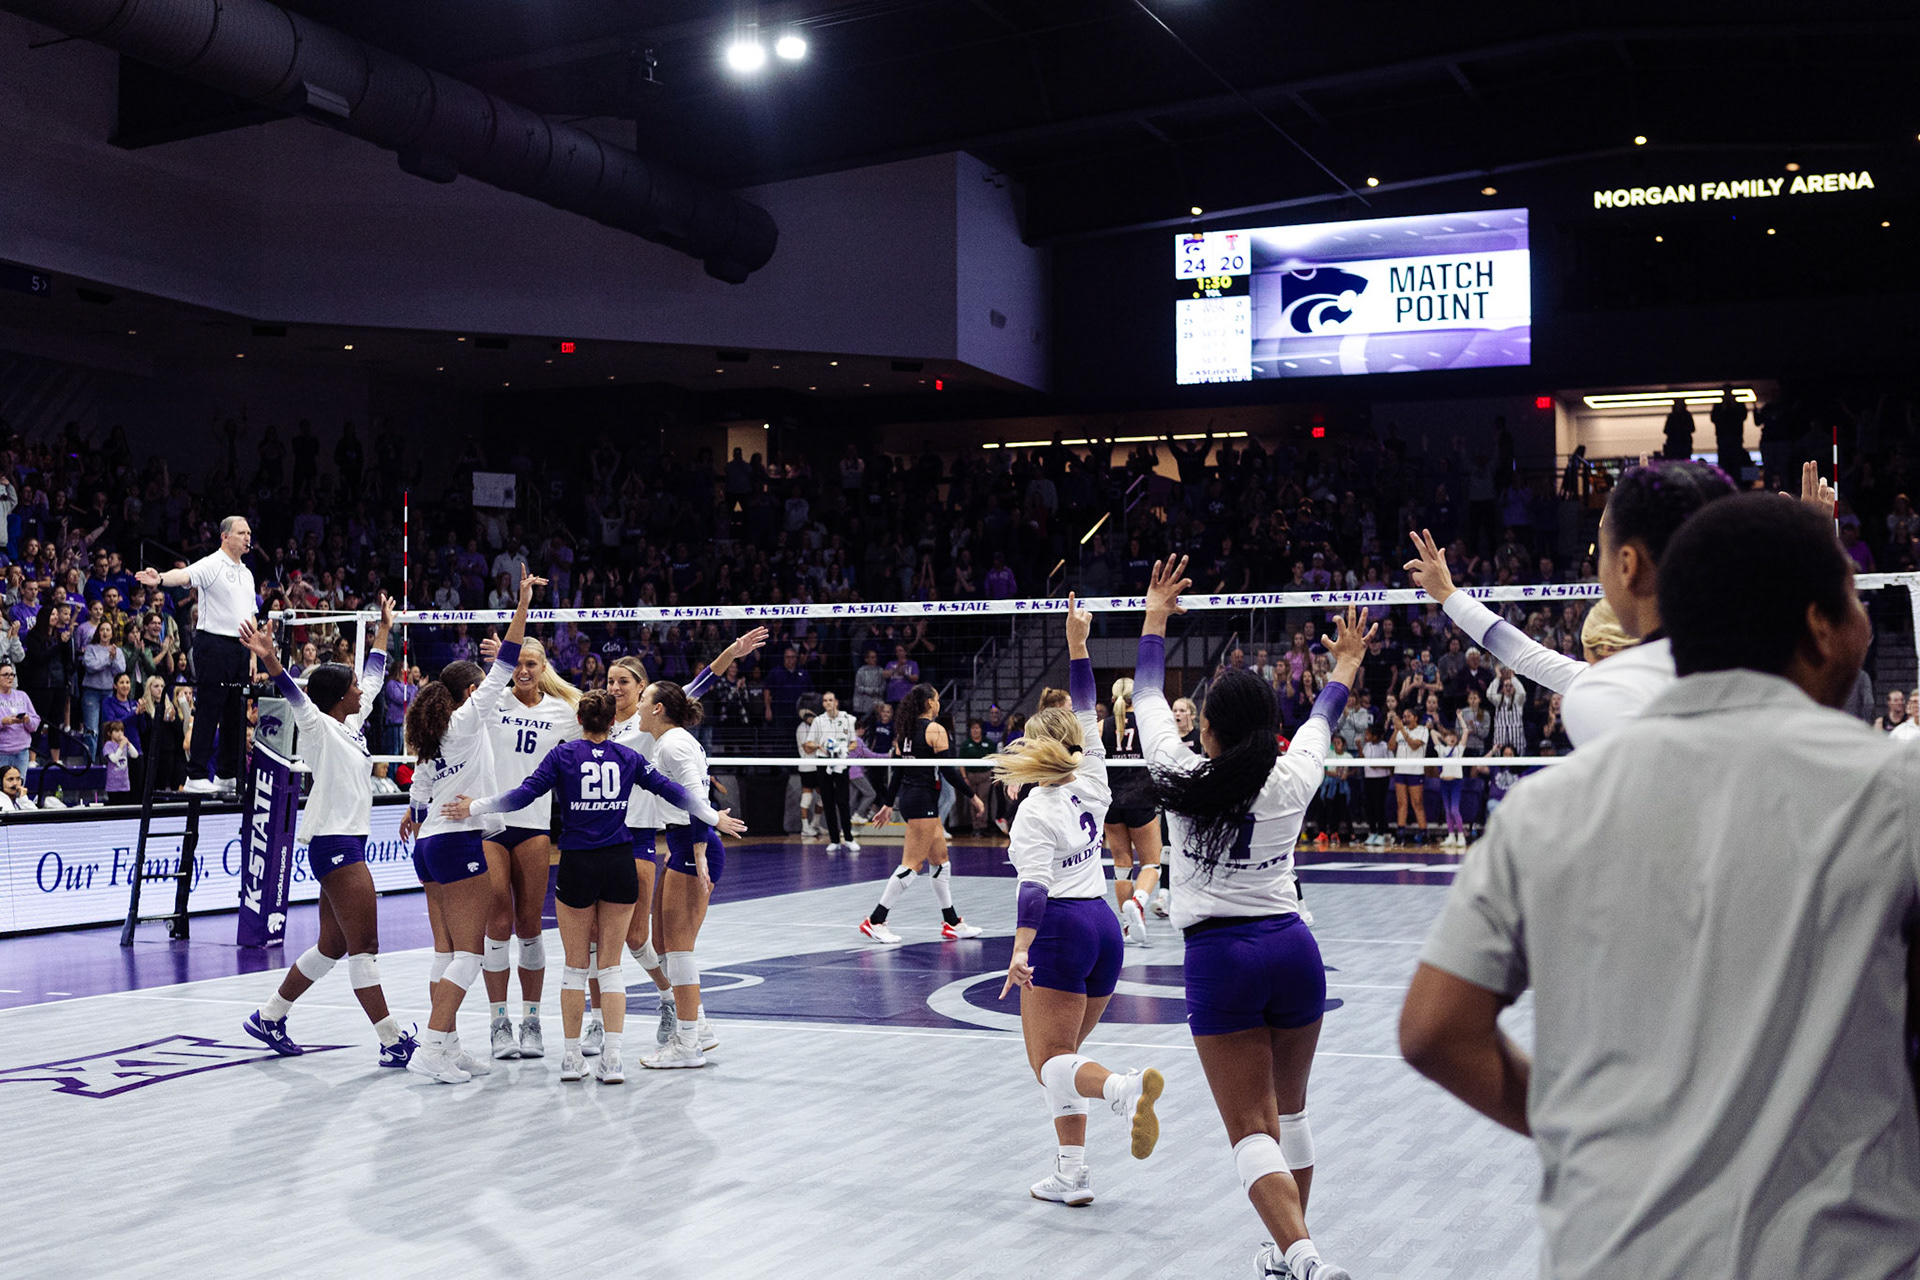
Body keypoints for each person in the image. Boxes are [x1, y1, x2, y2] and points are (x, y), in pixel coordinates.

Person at [1400, 493, 1920, 1280]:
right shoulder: (1893, 793)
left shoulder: (1545, 804)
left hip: (1617, 1250)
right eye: (1851, 601)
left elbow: (1433, 1030)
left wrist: (1585, 1129)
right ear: (1819, 624)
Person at [1132, 556, 1365, 1280]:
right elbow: (1324, 714)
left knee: (1249, 1129)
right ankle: (1289, 1250)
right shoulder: (1294, 775)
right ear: (1268, 728)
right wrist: (1347, 661)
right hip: (1294, 950)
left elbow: (1146, 694)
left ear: (1206, 730)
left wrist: (1155, 616)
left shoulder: (1178, 777)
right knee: (1290, 1115)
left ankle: (1306, 1259)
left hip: (1222, 960)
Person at [444, 689, 744, 1084]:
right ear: (612, 721)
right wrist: (712, 816)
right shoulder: (629, 757)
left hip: (578, 863)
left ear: (579, 721)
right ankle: (613, 1060)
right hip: (619, 863)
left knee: (575, 967)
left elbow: (521, 796)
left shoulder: (563, 755)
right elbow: (676, 792)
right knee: (611, 966)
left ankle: (572, 1059)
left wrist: (475, 806)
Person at [996, 595, 1164, 1207]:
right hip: (1103, 927)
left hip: (1062, 930)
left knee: (1049, 1063)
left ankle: (1121, 1088)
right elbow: (1088, 703)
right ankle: (1073, 1174)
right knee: (1063, 1059)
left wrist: (1020, 950)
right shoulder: (1093, 779)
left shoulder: (1033, 813)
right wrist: (1077, 645)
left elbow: (1033, 889)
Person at [1405, 460, 1737, 747]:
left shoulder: (1603, 693)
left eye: (1603, 551)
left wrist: (1448, 594)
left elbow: (1521, 653)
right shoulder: (1754, 670)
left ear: (1628, 565)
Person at [237, 598, 415, 1068]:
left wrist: (383, 629)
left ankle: (269, 1017)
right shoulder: (317, 727)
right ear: (338, 695)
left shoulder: (351, 723)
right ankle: (393, 1040)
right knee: (365, 947)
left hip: (345, 841)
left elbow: (373, 677)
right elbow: (293, 693)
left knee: (333, 945)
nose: (360, 689)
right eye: (351, 685)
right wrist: (270, 657)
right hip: (335, 844)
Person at [400, 569, 541, 1084]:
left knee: (446, 952)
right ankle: (432, 1047)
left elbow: (419, 789)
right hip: (456, 844)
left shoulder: (433, 731)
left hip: (428, 844)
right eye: (482, 687)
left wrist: (414, 814)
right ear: (471, 691)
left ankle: (451, 1047)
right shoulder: (465, 719)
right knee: (470, 953)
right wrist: (522, 604)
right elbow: (508, 659)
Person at [477, 635, 582, 1062]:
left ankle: (531, 1021)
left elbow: (606, 726)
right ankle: (498, 1022)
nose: (523, 671)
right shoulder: (493, 701)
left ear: (543, 668)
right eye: (517, 663)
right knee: (497, 918)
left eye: (531, 664)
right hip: (491, 823)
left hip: (535, 825)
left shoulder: (562, 712)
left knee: (529, 924)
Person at [637, 678, 736, 1070]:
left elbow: (697, 796)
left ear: (658, 708)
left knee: (678, 948)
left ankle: (688, 1043)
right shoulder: (669, 742)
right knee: (662, 942)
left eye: (643, 699)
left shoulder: (673, 744)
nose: (639, 706)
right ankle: (700, 1027)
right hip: (680, 843)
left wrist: (698, 849)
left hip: (694, 844)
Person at [858, 683, 986, 945]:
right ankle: (875, 920)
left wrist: (888, 804)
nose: (939, 704)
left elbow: (898, 771)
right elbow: (949, 770)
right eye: (937, 699)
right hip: (921, 802)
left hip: (913, 800)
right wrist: (972, 796)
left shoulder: (904, 731)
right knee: (912, 864)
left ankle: (952, 923)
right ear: (929, 703)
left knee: (940, 861)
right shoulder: (935, 729)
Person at [138, 516, 257, 792]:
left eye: (249, 533)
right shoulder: (213, 563)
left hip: (241, 647)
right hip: (213, 644)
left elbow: (250, 614)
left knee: (235, 712)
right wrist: (161, 578)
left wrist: (253, 654)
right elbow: (185, 576)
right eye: (242, 532)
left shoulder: (247, 573)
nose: (247, 537)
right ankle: (196, 775)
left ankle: (226, 774)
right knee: (210, 707)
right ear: (225, 536)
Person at [1102, 677, 1162, 947]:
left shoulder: (1101, 726)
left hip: (1111, 801)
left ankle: (1128, 927)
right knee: (1152, 864)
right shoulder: (1146, 725)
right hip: (1140, 798)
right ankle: (1137, 903)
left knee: (1122, 866)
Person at [805, 690, 859, 851]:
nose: (828, 703)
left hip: (841, 761)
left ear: (836, 702)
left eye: (830, 700)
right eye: (825, 701)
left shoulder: (847, 719)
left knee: (843, 800)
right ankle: (834, 840)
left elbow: (854, 742)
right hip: (823, 761)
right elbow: (808, 743)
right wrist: (820, 746)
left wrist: (843, 749)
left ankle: (848, 838)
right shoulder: (818, 721)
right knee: (827, 801)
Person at [135, 675, 186, 793]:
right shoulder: (144, 706)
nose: (160, 689)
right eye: (156, 686)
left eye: (162, 686)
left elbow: (179, 731)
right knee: (150, 785)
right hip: (150, 752)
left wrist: (173, 720)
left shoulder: (170, 706)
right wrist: (159, 719)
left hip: (168, 752)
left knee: (162, 785)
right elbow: (144, 730)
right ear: (149, 688)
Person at [1389, 708, 1428, 843]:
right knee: (1401, 803)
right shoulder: (1400, 730)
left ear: (1415, 717)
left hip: (1415, 771)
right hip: (1400, 770)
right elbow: (1390, 747)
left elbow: (1414, 746)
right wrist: (1396, 730)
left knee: (1417, 803)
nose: (1405, 718)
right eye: (1404, 716)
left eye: (1408, 716)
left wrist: (1402, 730)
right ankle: (1400, 834)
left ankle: (1424, 834)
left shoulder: (1423, 730)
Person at [0, 661, 40, 776]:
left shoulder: (22, 695)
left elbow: (35, 722)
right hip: (2, 752)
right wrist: (3, 722)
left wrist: (27, 720)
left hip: (22, 752)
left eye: (12, 675)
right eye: (5, 675)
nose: (9, 678)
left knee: (20, 785)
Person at [1432, 726, 1465, 846]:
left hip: (1455, 782)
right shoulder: (1441, 749)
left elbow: (1466, 732)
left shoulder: (1459, 750)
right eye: (1449, 736)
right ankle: (1451, 835)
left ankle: (1461, 836)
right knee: (1447, 810)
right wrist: (1444, 737)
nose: (1452, 738)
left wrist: (1448, 737)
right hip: (1444, 783)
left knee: (1454, 809)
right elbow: (1432, 732)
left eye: (1454, 736)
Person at [100, 720, 138, 804]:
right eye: (117, 731)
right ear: (109, 733)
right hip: (113, 786)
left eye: (121, 731)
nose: (120, 733)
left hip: (124, 784)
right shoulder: (108, 745)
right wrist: (121, 746)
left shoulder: (124, 745)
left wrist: (128, 743)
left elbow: (135, 755)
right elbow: (114, 759)